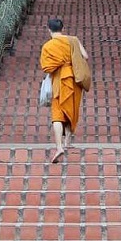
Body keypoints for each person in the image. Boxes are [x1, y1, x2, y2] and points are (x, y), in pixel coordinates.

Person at [40, 18, 90, 163]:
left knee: (57, 114)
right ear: (63, 28)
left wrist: (59, 63)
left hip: (60, 79)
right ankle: (68, 140)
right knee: (71, 108)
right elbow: (85, 56)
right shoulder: (73, 40)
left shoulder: (48, 46)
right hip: (74, 78)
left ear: (49, 29)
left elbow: (47, 67)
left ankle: (59, 147)